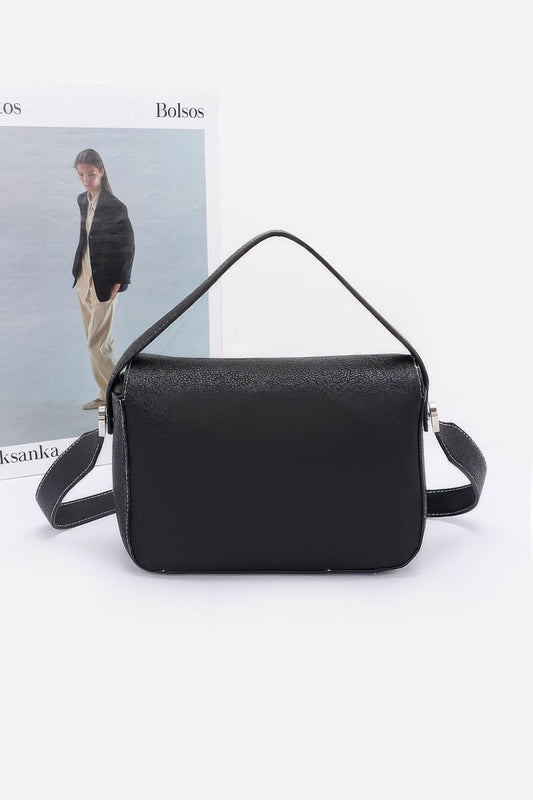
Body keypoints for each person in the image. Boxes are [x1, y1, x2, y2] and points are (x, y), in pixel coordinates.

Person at [72, 149, 134, 410]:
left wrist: (119, 282)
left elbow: (127, 246)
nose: (86, 180)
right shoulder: (82, 200)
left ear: (102, 171)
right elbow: (87, 238)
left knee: (96, 344)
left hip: (105, 283)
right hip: (84, 280)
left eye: (91, 174)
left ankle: (120, 396)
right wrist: (78, 274)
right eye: (81, 175)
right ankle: (104, 393)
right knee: (100, 343)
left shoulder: (115, 206)